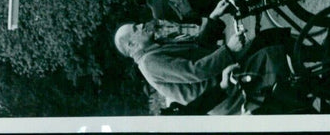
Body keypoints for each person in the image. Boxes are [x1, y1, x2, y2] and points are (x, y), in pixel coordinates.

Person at [114, 17, 297, 115]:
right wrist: (229, 50)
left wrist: (214, 16)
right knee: (271, 51)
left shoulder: (152, 51)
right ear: (131, 45)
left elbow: (196, 47)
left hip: (223, 77)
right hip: (225, 91)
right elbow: (196, 71)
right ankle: (317, 65)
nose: (140, 25)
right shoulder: (149, 62)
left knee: (269, 39)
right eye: (135, 29)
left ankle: (317, 58)